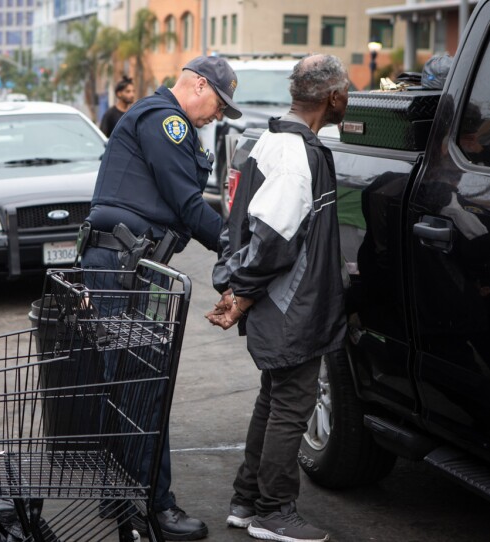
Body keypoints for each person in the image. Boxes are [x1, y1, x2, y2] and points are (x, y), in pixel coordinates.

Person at [79, 55, 242, 541]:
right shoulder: (166, 120)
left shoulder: (158, 120)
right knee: (142, 386)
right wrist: (235, 250)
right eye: (219, 102)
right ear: (196, 84)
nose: (219, 115)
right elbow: (188, 205)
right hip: (123, 268)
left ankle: (121, 493)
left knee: (127, 382)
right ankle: (157, 507)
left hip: (128, 266)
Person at [206, 54, 349, 542]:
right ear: (332, 97)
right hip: (291, 306)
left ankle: (247, 502)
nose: (348, 97)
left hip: (282, 301)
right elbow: (271, 238)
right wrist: (241, 295)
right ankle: (274, 511)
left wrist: (240, 289)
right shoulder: (292, 154)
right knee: (291, 405)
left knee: (274, 400)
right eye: (346, 90)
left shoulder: (275, 139)